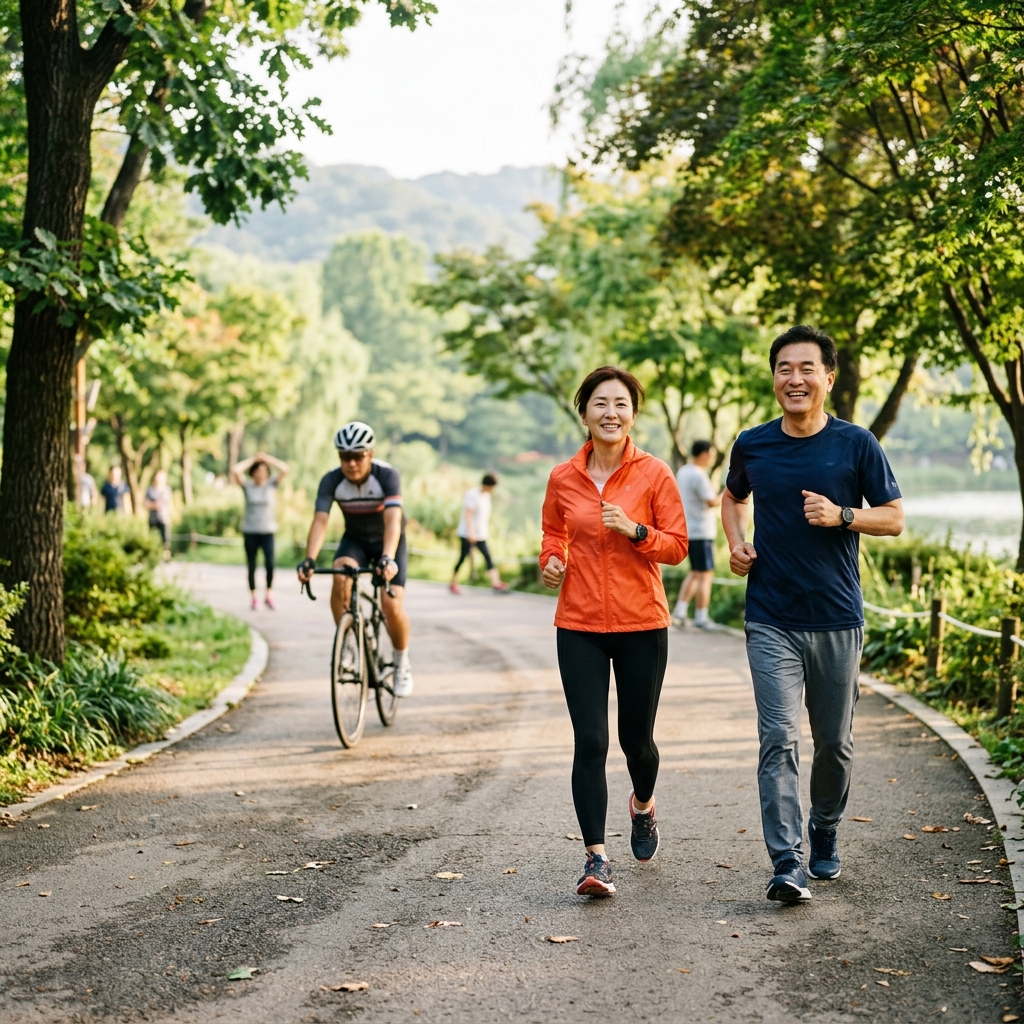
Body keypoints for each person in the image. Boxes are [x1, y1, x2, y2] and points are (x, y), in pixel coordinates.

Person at [721, 325, 904, 904]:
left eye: (806, 368)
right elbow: (732, 496)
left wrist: (843, 514)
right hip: (770, 615)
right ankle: (787, 861)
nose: (793, 378)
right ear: (773, 378)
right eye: (783, 368)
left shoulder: (856, 444)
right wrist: (736, 542)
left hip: (836, 618)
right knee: (778, 737)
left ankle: (824, 826)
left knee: (835, 743)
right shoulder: (753, 443)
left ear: (828, 377)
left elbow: (895, 517)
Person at [540, 366, 688, 897]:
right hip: (577, 622)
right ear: (584, 413)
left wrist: (636, 530)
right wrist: (552, 560)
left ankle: (643, 805)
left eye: (621, 404)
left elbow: (677, 545)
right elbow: (553, 533)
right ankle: (595, 859)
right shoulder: (563, 477)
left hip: (641, 622)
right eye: (600, 403)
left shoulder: (654, 473)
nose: (611, 413)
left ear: (632, 414)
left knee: (636, 742)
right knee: (591, 740)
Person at [297, 422, 414, 697]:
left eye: (357, 456)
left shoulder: (386, 476)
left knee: (391, 603)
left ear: (370, 454)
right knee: (341, 574)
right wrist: (309, 560)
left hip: (389, 541)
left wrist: (387, 558)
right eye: (344, 457)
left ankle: (401, 663)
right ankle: (349, 641)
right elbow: (320, 520)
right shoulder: (331, 480)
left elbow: (393, 520)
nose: (351, 463)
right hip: (356, 541)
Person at [671, 440, 723, 629]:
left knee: (694, 572)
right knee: (705, 574)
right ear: (703, 454)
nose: (712, 458)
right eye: (711, 454)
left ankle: (680, 611)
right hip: (702, 530)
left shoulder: (683, 471)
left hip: (688, 529)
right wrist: (727, 493)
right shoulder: (699, 475)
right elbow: (711, 501)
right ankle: (701, 616)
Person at [231, 452, 290, 611]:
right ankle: (254, 598)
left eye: (264, 470)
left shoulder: (272, 484)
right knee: (252, 566)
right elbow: (236, 470)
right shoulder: (247, 486)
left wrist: (268, 459)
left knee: (270, 564)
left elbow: (285, 469)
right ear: (253, 473)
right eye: (258, 470)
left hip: (268, 532)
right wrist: (254, 460)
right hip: (250, 532)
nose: (261, 473)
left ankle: (269, 595)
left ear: (267, 473)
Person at [450, 473, 508, 594]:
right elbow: (468, 514)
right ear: (488, 485)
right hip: (467, 534)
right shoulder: (472, 494)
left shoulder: (486, 497)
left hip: (481, 534)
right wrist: (471, 533)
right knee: (462, 558)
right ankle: (453, 582)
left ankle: (496, 582)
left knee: (488, 557)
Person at [144, 469, 173, 558]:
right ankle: (152, 556)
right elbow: (145, 503)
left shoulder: (167, 489)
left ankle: (166, 557)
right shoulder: (150, 490)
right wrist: (154, 505)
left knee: (165, 539)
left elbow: (170, 503)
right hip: (153, 518)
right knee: (152, 538)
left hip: (164, 518)